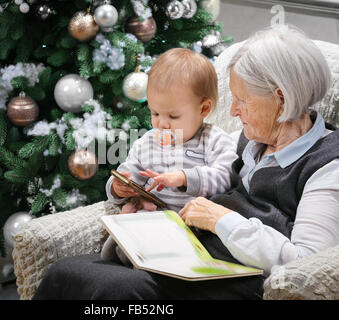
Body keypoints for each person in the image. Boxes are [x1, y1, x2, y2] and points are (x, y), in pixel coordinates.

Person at [33, 25, 339, 300]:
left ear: (280, 99)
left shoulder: (327, 165)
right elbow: (196, 177)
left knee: (116, 292)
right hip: (193, 259)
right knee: (65, 273)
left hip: (236, 280)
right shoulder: (250, 140)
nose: (232, 112)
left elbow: (306, 265)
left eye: (242, 100)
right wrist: (146, 196)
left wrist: (220, 219)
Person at [101, 48, 238, 266]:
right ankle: (126, 249)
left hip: (196, 229)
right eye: (155, 113)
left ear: (203, 109)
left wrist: (184, 178)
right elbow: (128, 172)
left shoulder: (215, 140)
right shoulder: (148, 142)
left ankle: (139, 254)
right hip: (155, 219)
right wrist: (119, 188)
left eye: (173, 116)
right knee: (133, 220)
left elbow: (226, 177)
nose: (161, 123)